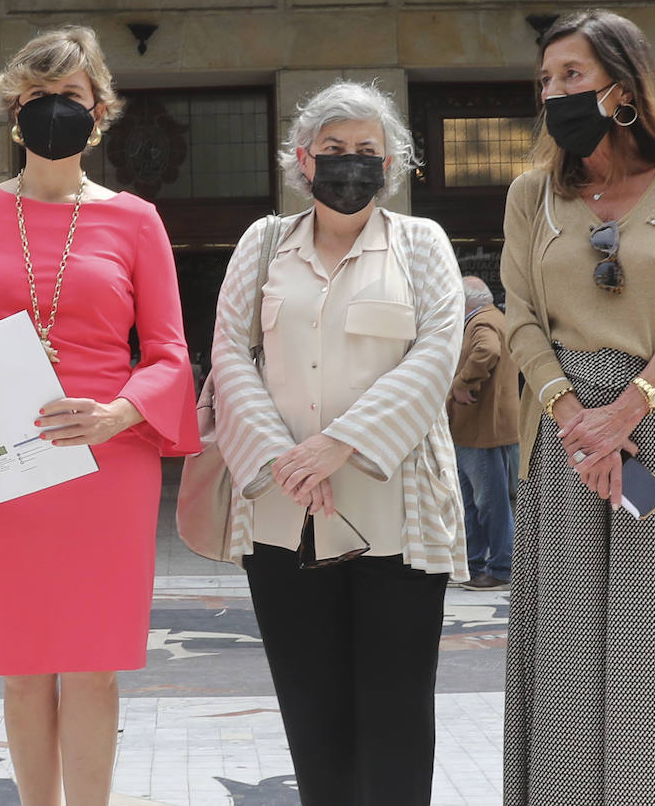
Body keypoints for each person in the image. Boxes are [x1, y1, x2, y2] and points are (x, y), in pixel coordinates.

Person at [0, 25, 199, 806]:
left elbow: (169, 354)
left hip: (104, 466)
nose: (58, 109)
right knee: (23, 670)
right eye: (39, 97)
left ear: (101, 111)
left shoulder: (136, 220)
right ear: (15, 112)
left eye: (74, 97)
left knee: (93, 664)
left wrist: (118, 414)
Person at [210, 80, 466, 806]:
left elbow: (438, 351)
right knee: (311, 713)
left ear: (391, 164)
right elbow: (229, 352)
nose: (349, 164)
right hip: (284, 514)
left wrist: (338, 446)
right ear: (303, 158)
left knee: (396, 717)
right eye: (333, 150)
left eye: (366, 151)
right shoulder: (263, 245)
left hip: (396, 517)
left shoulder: (421, 245)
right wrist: (283, 459)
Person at [500, 10, 655, 806]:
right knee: (566, 647)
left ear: (622, 88)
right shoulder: (532, 193)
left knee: (648, 643)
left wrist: (630, 409)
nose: (553, 92)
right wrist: (574, 418)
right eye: (545, 80)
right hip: (564, 436)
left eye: (571, 75)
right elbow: (520, 315)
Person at [448, 276, 518, 591]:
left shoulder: (480, 324)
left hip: (481, 429)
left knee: (488, 502)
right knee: (476, 501)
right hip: (480, 428)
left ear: (466, 301)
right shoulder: (495, 318)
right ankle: (473, 564)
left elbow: (486, 351)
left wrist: (463, 383)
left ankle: (501, 568)